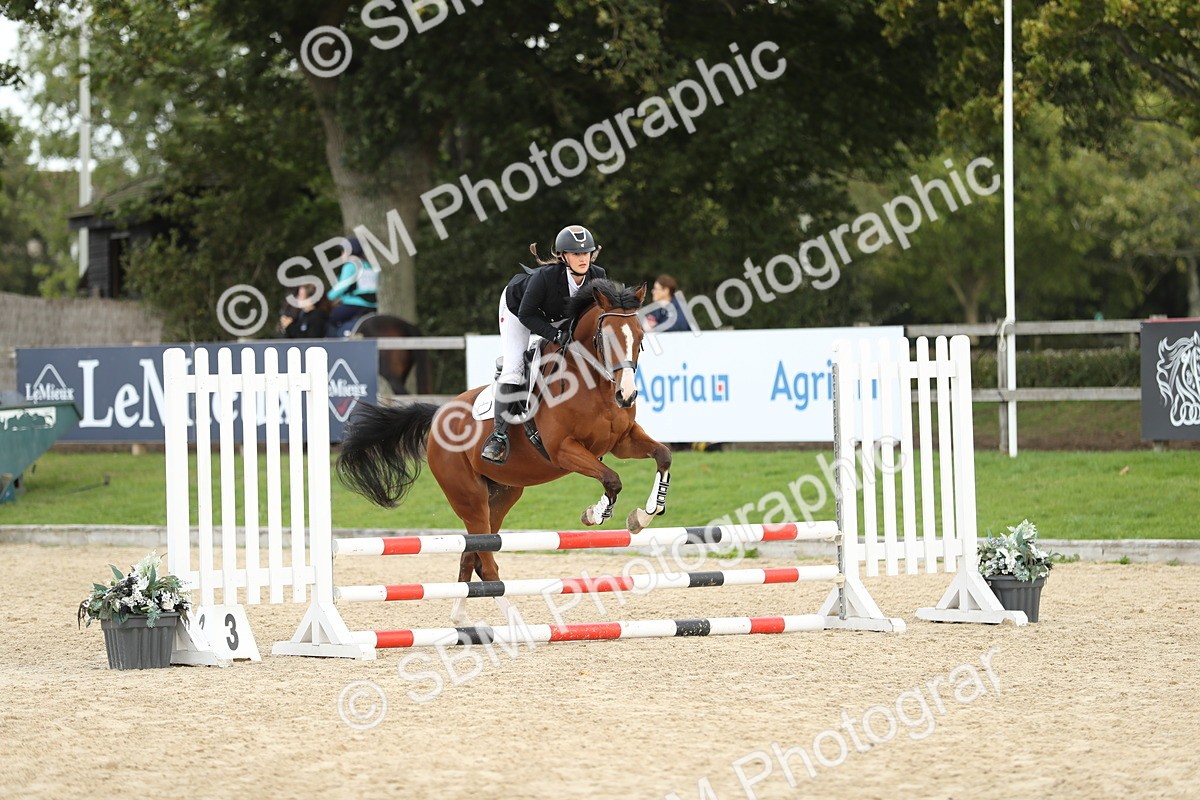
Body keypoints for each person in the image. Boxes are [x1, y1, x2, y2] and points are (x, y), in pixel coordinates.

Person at [480, 224, 607, 465]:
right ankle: (498, 437)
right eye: (576, 254)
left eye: (586, 253)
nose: (583, 259)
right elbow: (526, 315)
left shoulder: (598, 275)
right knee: (515, 367)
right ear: (563, 256)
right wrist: (555, 335)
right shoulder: (544, 277)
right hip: (518, 310)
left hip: (555, 314)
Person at [325, 237, 379, 337]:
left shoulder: (351, 266)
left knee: (328, 320)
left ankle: (332, 343)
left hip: (354, 304)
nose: (341, 255)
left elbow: (341, 287)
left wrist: (326, 298)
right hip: (373, 306)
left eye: (343, 251)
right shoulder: (369, 266)